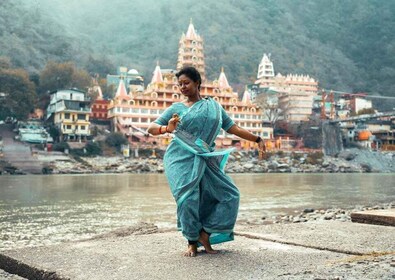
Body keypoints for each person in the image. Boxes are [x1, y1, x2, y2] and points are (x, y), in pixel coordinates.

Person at [147, 66, 266, 257]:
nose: (182, 87)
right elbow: (152, 128)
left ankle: (205, 233)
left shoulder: (214, 107)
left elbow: (233, 128)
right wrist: (166, 129)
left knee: (230, 195)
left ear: (197, 83)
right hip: (179, 158)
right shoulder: (176, 108)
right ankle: (191, 241)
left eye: (186, 83)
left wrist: (257, 139)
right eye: (179, 84)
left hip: (205, 157)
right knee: (188, 199)